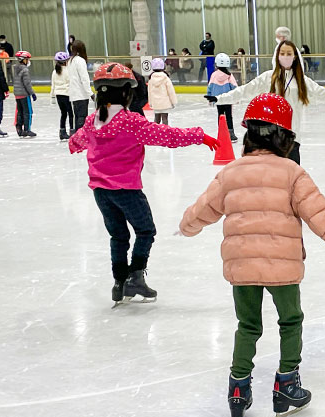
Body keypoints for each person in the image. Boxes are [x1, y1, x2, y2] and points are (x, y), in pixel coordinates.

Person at [178, 93, 325, 417]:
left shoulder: (231, 172)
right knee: (290, 321)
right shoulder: (293, 173)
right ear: (284, 138)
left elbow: (203, 209)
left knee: (248, 325)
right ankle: (286, 384)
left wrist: (186, 227)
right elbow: (321, 216)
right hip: (283, 268)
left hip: (241, 267)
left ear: (250, 133)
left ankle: (238, 387)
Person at [68, 62, 218, 306]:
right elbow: (168, 136)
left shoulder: (92, 121)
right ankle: (136, 277)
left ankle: (119, 283)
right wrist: (200, 136)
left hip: (101, 193)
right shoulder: (131, 122)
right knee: (145, 230)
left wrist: (78, 145)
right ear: (128, 93)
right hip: (127, 190)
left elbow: (76, 142)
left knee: (118, 236)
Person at [206, 40, 325, 165]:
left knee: (292, 178)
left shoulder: (302, 81)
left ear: (295, 57)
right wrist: (219, 98)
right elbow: (244, 91)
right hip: (270, 138)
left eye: (289, 53)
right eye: (282, 53)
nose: (285, 56)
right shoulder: (268, 77)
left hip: (292, 138)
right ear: (277, 56)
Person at [206, 53, 238, 142]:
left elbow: (210, 87)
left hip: (218, 99)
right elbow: (234, 87)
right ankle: (231, 134)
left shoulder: (214, 75)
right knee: (229, 116)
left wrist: (210, 97)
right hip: (227, 99)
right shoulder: (229, 75)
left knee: (220, 115)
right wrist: (237, 97)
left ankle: (221, 134)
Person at [68, 39, 94, 135]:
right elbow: (84, 79)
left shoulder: (70, 61)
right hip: (81, 94)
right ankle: (81, 136)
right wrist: (90, 93)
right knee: (82, 117)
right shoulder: (80, 61)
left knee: (77, 116)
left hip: (74, 94)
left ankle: (77, 135)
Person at [13, 51, 37, 138]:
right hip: (24, 94)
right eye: (27, 59)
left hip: (17, 94)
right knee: (28, 112)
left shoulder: (16, 68)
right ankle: (27, 129)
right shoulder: (25, 70)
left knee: (20, 111)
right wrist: (32, 93)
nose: (28, 61)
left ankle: (19, 128)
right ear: (24, 60)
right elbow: (27, 84)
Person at [50, 51, 73, 141]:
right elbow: (71, 83)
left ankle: (62, 132)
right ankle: (72, 131)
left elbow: (53, 85)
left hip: (58, 95)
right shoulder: (68, 71)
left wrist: (52, 96)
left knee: (63, 114)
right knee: (71, 114)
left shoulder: (54, 71)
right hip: (67, 94)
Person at [147, 58, 177, 125]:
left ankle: (155, 132)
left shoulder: (151, 79)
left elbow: (150, 92)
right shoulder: (166, 78)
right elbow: (170, 91)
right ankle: (165, 132)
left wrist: (151, 103)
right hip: (165, 103)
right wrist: (173, 102)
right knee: (165, 119)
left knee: (156, 119)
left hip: (155, 103)